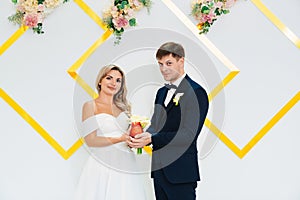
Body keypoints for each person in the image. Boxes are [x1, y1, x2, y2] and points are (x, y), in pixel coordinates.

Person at [128, 42, 209, 200]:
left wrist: (152, 138)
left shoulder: (196, 92)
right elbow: (156, 125)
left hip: (181, 173)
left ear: (181, 61)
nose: (163, 68)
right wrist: (141, 136)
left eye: (168, 63)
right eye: (160, 64)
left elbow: (188, 135)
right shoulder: (160, 92)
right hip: (159, 171)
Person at [74, 64, 154, 200]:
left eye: (118, 80)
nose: (113, 83)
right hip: (102, 164)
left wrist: (134, 139)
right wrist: (121, 138)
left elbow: (128, 136)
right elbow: (90, 140)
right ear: (100, 81)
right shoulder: (90, 106)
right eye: (109, 78)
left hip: (125, 163)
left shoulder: (124, 107)